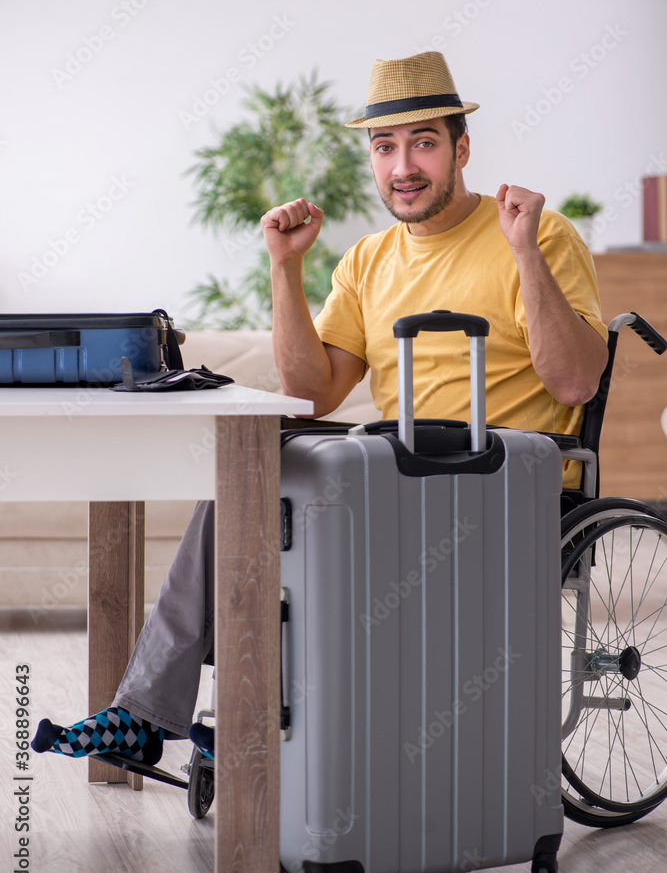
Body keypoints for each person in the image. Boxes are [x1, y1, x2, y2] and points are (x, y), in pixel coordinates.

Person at [31, 51, 608, 763]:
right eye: (384, 146)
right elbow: (310, 395)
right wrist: (285, 266)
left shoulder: (536, 235)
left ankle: (239, 715)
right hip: (400, 475)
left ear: (461, 149)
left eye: (423, 142)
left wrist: (522, 254)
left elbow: (575, 382)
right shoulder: (368, 259)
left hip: (507, 484)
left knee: (297, 489)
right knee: (252, 466)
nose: (403, 165)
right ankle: (161, 712)